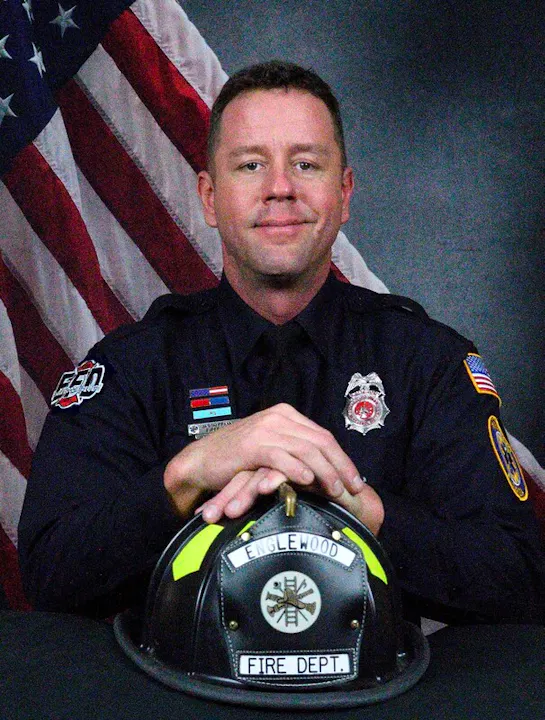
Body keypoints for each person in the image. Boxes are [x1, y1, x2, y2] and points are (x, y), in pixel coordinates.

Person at [19, 61, 544, 623]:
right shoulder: (133, 366)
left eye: (306, 164)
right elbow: (49, 572)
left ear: (343, 193)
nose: (280, 188)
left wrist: (362, 511)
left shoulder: (427, 362)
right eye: (251, 165)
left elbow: (518, 577)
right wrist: (187, 475)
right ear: (209, 198)